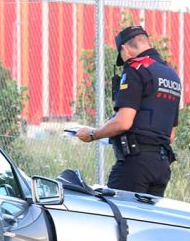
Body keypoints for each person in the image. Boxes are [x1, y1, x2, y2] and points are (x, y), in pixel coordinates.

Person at [77, 26, 181, 197]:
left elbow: (123, 122)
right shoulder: (172, 75)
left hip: (135, 164)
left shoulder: (136, 69)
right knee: (146, 222)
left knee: (116, 217)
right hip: (161, 166)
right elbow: (170, 135)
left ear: (125, 49)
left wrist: (92, 134)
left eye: (122, 56)